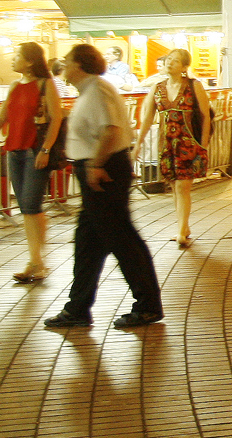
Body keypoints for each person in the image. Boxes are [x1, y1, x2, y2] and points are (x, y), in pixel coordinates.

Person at [43, 44, 163, 331]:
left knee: (122, 239)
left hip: (103, 170)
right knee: (88, 243)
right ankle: (78, 308)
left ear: (80, 65)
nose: (64, 65)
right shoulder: (89, 90)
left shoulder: (97, 89)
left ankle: (147, 305)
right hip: (97, 168)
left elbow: (111, 130)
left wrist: (96, 165)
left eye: (68, 61)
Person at [0, 42, 64, 283]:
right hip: (15, 151)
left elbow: (56, 118)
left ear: (30, 61)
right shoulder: (14, 86)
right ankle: (36, 260)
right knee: (27, 208)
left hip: (35, 150)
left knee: (31, 205)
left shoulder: (45, 84)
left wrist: (45, 149)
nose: (12, 60)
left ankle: (36, 262)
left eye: (17, 56)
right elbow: (2, 117)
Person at [140, 48, 211, 250]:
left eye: (175, 61)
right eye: (168, 60)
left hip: (188, 143)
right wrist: (138, 144)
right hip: (167, 144)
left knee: (182, 187)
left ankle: (181, 232)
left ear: (184, 66)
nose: (169, 63)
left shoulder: (194, 85)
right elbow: (147, 118)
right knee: (174, 186)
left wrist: (203, 144)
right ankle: (184, 226)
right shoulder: (157, 87)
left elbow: (206, 116)